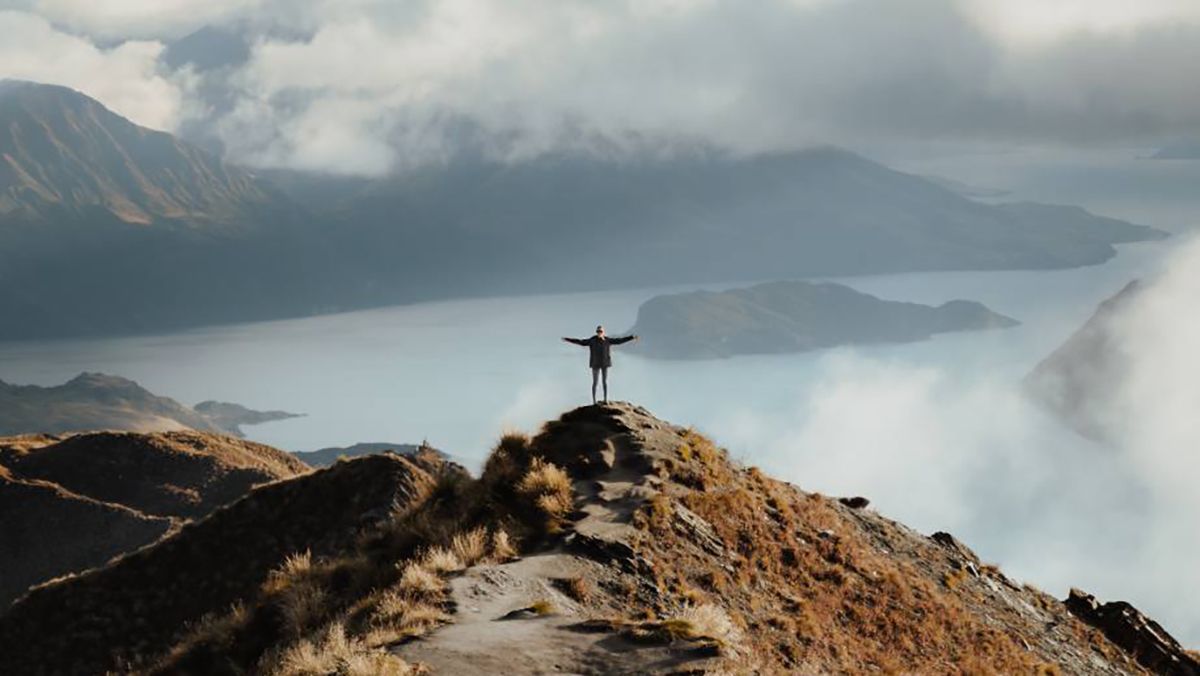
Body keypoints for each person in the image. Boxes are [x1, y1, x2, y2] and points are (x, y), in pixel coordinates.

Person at [562, 325, 639, 404]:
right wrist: (568, 339)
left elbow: (619, 341)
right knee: (595, 382)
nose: (599, 333)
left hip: (605, 364)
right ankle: (594, 401)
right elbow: (581, 342)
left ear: (603, 332)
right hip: (595, 364)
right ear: (596, 332)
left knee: (604, 382)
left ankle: (605, 399)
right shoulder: (592, 340)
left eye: (601, 331)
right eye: (598, 331)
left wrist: (631, 337)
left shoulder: (607, 340)